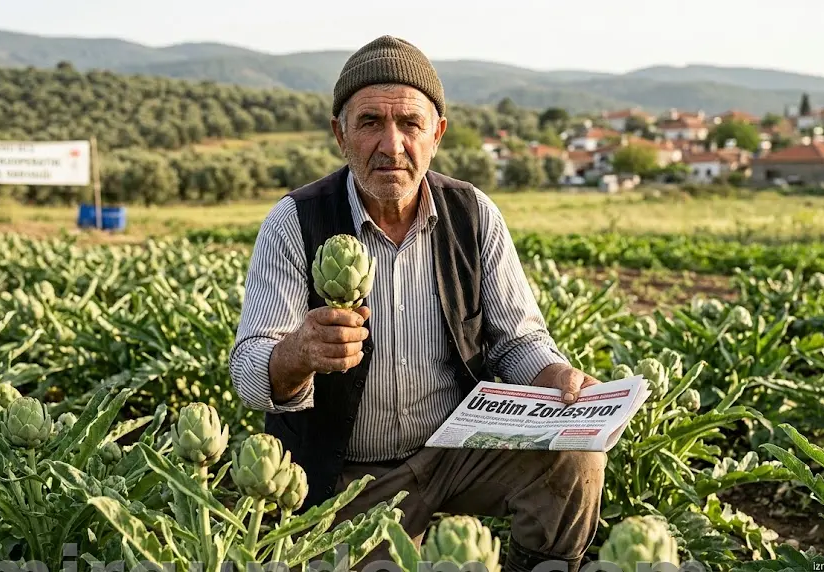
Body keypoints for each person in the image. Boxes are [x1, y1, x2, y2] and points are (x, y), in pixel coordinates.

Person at [229, 35, 606, 572]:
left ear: (437, 133)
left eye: (409, 123)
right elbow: (248, 374)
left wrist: (553, 374)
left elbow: (517, 339)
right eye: (370, 123)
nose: (392, 144)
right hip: (347, 475)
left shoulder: (473, 213)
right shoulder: (295, 222)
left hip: (459, 452)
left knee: (575, 456)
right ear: (340, 134)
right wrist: (299, 353)